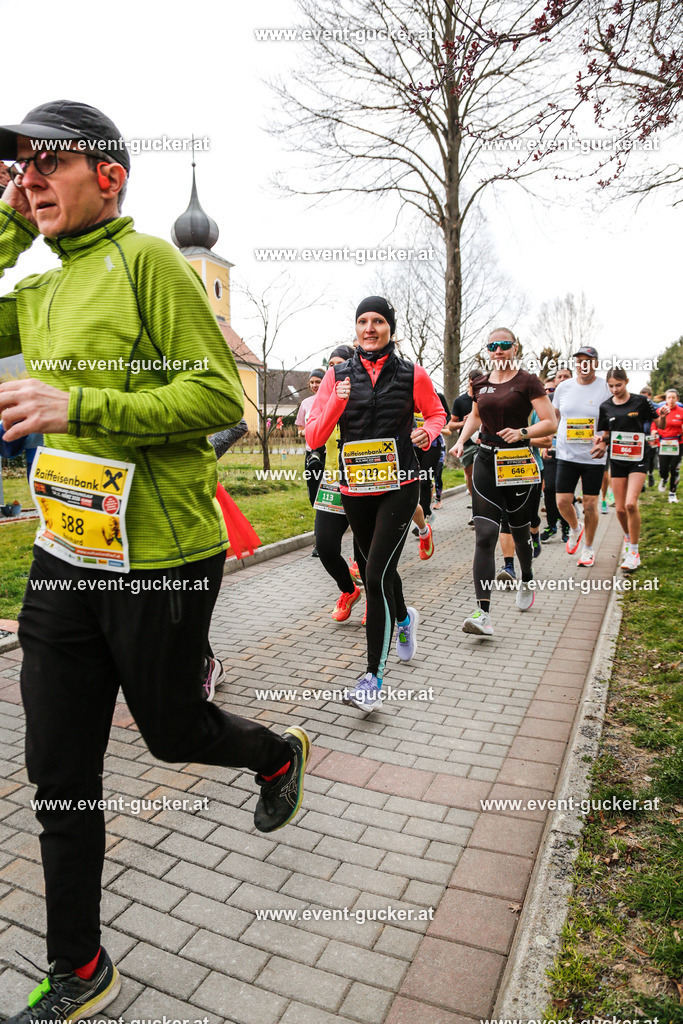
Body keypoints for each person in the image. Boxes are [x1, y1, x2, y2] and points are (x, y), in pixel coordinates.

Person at [0, 101, 310, 1023]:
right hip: (65, 552)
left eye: (46, 163)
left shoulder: (150, 263)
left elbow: (218, 397)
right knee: (58, 770)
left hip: (162, 556)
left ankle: (274, 755)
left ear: (109, 176)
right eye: (18, 169)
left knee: (173, 733)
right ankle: (81, 965)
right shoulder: (40, 286)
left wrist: (80, 408)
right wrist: (9, 224)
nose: (29, 179)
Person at [306, 296, 446, 709]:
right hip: (355, 489)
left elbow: (436, 414)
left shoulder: (412, 373)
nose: (370, 328)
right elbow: (314, 436)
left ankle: (372, 679)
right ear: (356, 328)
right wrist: (337, 401)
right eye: (363, 321)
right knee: (376, 572)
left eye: (378, 321)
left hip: (400, 485)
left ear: (390, 328)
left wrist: (428, 433)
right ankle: (404, 618)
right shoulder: (337, 376)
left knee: (375, 574)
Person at [452, 328, 556, 636]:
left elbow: (550, 422)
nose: (498, 350)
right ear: (487, 350)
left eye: (504, 345)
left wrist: (523, 432)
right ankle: (482, 613)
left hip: (517, 463)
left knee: (520, 533)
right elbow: (475, 417)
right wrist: (461, 440)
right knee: (485, 535)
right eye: (492, 346)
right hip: (486, 460)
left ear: (515, 348)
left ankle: (526, 577)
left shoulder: (528, 381)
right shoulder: (479, 383)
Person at [311, 345, 363, 621]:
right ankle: (348, 590)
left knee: (365, 551)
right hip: (332, 480)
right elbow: (314, 435)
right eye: (330, 365)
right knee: (326, 546)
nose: (334, 370)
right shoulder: (325, 401)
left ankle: (376, 602)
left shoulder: (365, 398)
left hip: (364, 481)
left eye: (340, 364)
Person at [553, 346, 611, 567]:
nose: (583, 365)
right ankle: (576, 528)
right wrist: (549, 440)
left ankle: (588, 548)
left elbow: (613, 420)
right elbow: (555, 416)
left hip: (593, 456)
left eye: (588, 361)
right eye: (579, 361)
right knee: (562, 501)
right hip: (566, 453)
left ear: (595, 364)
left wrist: (605, 440)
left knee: (590, 505)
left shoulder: (605, 388)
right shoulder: (564, 387)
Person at [592, 368, 651, 571]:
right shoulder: (605, 407)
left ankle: (634, 552)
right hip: (617, 459)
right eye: (611, 386)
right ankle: (628, 538)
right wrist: (601, 441)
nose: (615, 389)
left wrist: (662, 416)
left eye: (619, 385)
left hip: (638, 457)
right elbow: (607, 434)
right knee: (619, 509)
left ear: (627, 381)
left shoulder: (640, 402)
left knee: (631, 504)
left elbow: (657, 423)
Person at [295, 369, 326, 553]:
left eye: (318, 381)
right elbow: (300, 428)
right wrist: (305, 432)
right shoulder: (306, 403)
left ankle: (320, 542)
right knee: (314, 497)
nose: (315, 385)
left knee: (326, 496)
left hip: (327, 454)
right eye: (312, 382)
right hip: (311, 454)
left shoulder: (331, 400)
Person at [448, 370, 482, 526]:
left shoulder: (485, 397)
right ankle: (475, 504)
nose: (476, 384)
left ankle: (479, 509)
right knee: (469, 476)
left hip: (483, 442)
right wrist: (464, 422)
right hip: (466, 443)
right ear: (469, 381)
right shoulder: (460, 401)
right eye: (473, 381)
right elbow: (451, 425)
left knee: (479, 476)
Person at [539, 375, 570, 543]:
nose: (562, 379)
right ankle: (551, 525)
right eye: (560, 376)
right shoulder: (549, 399)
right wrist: (545, 443)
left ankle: (566, 526)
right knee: (549, 488)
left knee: (565, 491)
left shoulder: (576, 398)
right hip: (551, 450)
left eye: (566, 376)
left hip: (571, 452)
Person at [655, 389, 683, 502]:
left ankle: (672, 493)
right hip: (663, 443)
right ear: (666, 399)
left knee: (675, 469)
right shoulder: (660, 411)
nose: (671, 400)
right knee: (663, 469)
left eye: (673, 398)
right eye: (669, 398)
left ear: (677, 399)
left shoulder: (681, 411)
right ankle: (664, 478)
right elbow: (654, 424)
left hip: (677, 443)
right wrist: (653, 431)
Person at [639, 386, 659, 488]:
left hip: (652, 436)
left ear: (650, 396)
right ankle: (641, 481)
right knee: (640, 458)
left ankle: (650, 474)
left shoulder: (656, 407)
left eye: (645, 397)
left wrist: (655, 431)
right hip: (641, 435)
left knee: (651, 458)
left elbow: (659, 422)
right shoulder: (637, 406)